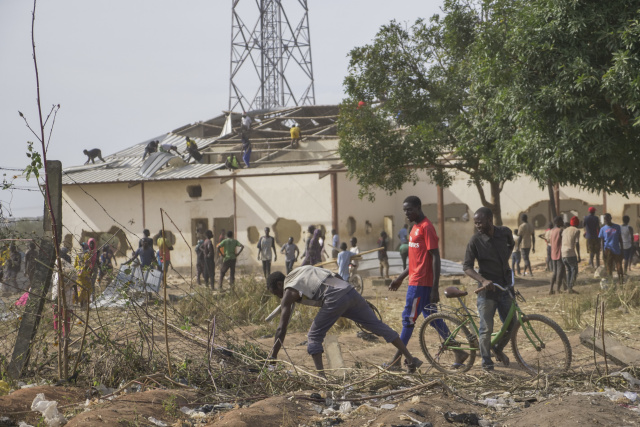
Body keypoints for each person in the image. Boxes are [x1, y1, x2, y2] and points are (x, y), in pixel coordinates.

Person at [266, 265, 423, 377]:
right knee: (378, 326)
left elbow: (281, 328)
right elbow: (336, 276)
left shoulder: (288, 290)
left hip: (334, 297)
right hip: (349, 290)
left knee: (314, 336)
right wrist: (358, 300)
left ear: (280, 284)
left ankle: (322, 377)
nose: (278, 297)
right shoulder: (300, 271)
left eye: (276, 293)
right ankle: (410, 359)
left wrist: (273, 356)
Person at [387, 196, 454, 370]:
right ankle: (458, 350)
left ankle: (396, 362)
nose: (406, 213)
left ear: (418, 207)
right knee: (433, 319)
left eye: (409, 209)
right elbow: (416, 261)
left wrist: (435, 288)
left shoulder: (427, 228)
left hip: (420, 284)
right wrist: (400, 278)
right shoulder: (414, 229)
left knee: (408, 320)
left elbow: (435, 258)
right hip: (414, 280)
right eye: (404, 210)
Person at [463, 207, 515, 372]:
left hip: (505, 286)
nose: (477, 225)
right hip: (487, 291)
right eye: (475, 222)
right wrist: (483, 280)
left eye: (480, 222)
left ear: (490, 220)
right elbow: (467, 267)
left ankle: (498, 348)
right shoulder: (475, 241)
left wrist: (505, 262)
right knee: (486, 328)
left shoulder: (504, 232)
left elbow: (511, 244)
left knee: (512, 324)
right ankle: (486, 359)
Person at [52, 258, 76, 339]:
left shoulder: (61, 273)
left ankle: (61, 335)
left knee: (60, 317)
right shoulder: (59, 274)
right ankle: (61, 335)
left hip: (62, 298)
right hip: (62, 298)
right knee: (63, 317)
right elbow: (61, 287)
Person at [599, 213, 624, 284]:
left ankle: (621, 281)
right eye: (605, 219)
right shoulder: (603, 229)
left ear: (610, 218)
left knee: (619, 266)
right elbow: (602, 241)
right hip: (607, 250)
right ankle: (610, 282)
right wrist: (603, 252)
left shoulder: (617, 227)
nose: (606, 220)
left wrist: (622, 250)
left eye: (607, 218)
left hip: (616, 249)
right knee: (608, 267)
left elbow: (620, 239)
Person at [561, 216, 581, 294]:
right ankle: (570, 288)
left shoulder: (564, 230)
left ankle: (568, 288)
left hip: (563, 253)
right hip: (571, 253)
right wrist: (579, 255)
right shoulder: (576, 230)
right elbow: (577, 243)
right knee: (574, 270)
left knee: (569, 270)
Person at [548, 216, 566, 294]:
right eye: (562, 221)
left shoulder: (551, 231)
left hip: (553, 253)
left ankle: (551, 289)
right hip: (560, 253)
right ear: (558, 222)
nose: (563, 222)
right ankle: (558, 289)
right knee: (559, 271)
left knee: (555, 271)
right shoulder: (560, 230)